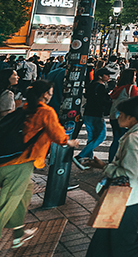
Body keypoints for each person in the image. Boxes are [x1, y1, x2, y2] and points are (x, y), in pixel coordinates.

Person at [85, 96, 138, 256]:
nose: (118, 117)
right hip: (132, 195)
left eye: (121, 114)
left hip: (127, 197)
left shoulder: (133, 139)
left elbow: (128, 174)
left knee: (124, 246)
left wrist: (104, 167)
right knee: (103, 238)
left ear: (131, 117)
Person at [0, 80, 77, 249]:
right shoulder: (46, 112)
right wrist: (69, 142)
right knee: (7, 202)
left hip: (8, 158)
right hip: (20, 164)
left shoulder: (26, 108)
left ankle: (18, 235)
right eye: (50, 92)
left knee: (25, 194)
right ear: (45, 94)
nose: (51, 95)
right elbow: (58, 135)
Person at [74, 67, 113, 168]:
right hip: (97, 113)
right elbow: (103, 101)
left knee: (91, 137)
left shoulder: (91, 84)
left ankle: (88, 160)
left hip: (88, 113)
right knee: (101, 136)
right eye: (106, 75)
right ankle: (80, 156)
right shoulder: (100, 87)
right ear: (100, 76)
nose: (109, 76)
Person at [108, 69, 138, 162]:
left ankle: (111, 161)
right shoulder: (131, 87)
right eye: (134, 75)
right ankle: (121, 162)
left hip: (114, 116)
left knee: (116, 139)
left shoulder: (117, 88)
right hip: (125, 118)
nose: (135, 77)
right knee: (125, 141)